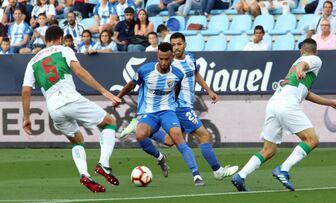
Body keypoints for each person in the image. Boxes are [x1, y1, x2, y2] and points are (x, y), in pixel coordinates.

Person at [119, 32, 239, 182]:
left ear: (185, 44)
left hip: (186, 104)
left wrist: (208, 90)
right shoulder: (170, 64)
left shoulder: (190, 58)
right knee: (204, 136)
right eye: (173, 44)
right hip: (180, 108)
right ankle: (218, 170)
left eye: (179, 44)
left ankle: (141, 127)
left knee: (170, 141)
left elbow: (196, 74)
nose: (176, 48)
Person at [231, 38, 336, 192]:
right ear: (316, 51)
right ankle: (283, 169)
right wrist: (301, 69)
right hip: (287, 104)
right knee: (312, 140)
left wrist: (330, 103)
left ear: (300, 51)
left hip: (274, 103)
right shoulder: (314, 60)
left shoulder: (295, 66)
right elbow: (304, 64)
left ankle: (241, 175)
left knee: (269, 149)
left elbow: (306, 94)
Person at [22, 25, 121, 193]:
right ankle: (104, 164)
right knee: (109, 123)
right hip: (69, 97)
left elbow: (25, 91)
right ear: (60, 38)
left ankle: (84, 174)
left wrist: (26, 117)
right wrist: (105, 92)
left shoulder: (32, 61)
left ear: (46, 40)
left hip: (53, 108)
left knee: (77, 140)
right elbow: (79, 72)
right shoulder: (64, 50)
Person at [113, 42, 205, 186]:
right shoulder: (145, 70)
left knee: (174, 139)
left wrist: (173, 103)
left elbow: (177, 88)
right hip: (150, 113)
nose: (163, 62)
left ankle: (196, 175)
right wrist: (118, 97)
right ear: (157, 56)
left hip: (167, 111)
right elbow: (131, 84)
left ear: (172, 58)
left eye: (166, 59)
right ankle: (160, 157)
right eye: (160, 59)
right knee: (140, 135)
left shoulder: (177, 74)